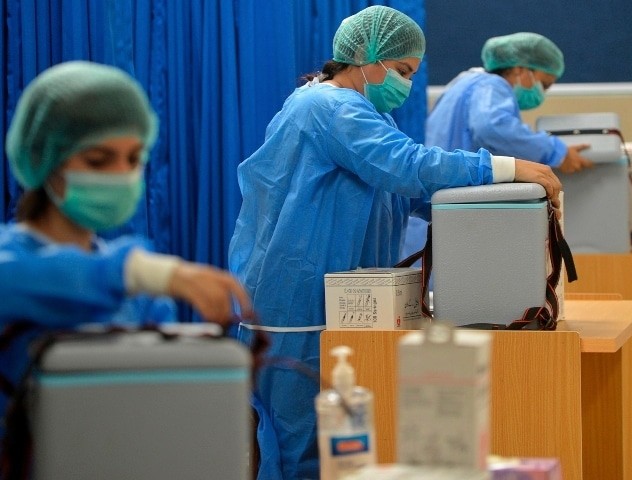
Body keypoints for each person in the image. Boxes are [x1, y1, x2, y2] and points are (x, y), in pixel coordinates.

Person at [228, 6, 562, 480]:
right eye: (402, 71)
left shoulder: (363, 113)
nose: (404, 83)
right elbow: (406, 166)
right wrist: (505, 167)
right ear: (365, 56)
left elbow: (406, 191)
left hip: (339, 306)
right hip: (296, 307)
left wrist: (493, 208)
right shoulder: (326, 108)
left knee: (339, 446)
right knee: (300, 448)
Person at [0, 61, 253, 453]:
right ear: (45, 159)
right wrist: (140, 271)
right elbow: (26, 280)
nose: (120, 173)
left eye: (134, 159)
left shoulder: (139, 291)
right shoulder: (18, 263)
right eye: (98, 161)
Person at [402, 32, 592, 258]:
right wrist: (555, 151)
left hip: (437, 211)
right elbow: (492, 128)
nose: (543, 93)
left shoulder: (464, 82)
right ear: (520, 69)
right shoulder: (492, 86)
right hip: (461, 213)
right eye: (544, 84)